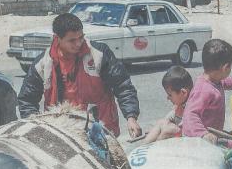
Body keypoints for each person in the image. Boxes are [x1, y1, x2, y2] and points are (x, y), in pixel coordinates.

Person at [17, 12, 142, 140]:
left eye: (81, 37)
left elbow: (122, 85)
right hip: (62, 132)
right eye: (72, 40)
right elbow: (27, 100)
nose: (78, 43)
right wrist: (35, 127)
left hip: (99, 129)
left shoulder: (99, 54)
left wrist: (131, 117)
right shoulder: (43, 63)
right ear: (57, 38)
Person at [181, 39, 232, 145]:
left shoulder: (215, 80)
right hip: (200, 140)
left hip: (213, 134)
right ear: (225, 67)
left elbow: (224, 82)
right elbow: (190, 114)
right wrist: (203, 134)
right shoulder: (204, 90)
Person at [136, 66, 193, 144]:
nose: (168, 98)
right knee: (161, 122)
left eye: (170, 95)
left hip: (189, 135)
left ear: (183, 93)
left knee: (167, 130)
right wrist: (158, 128)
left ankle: (155, 150)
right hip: (180, 131)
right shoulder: (180, 103)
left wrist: (165, 128)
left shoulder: (192, 105)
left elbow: (188, 125)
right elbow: (171, 116)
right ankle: (144, 146)